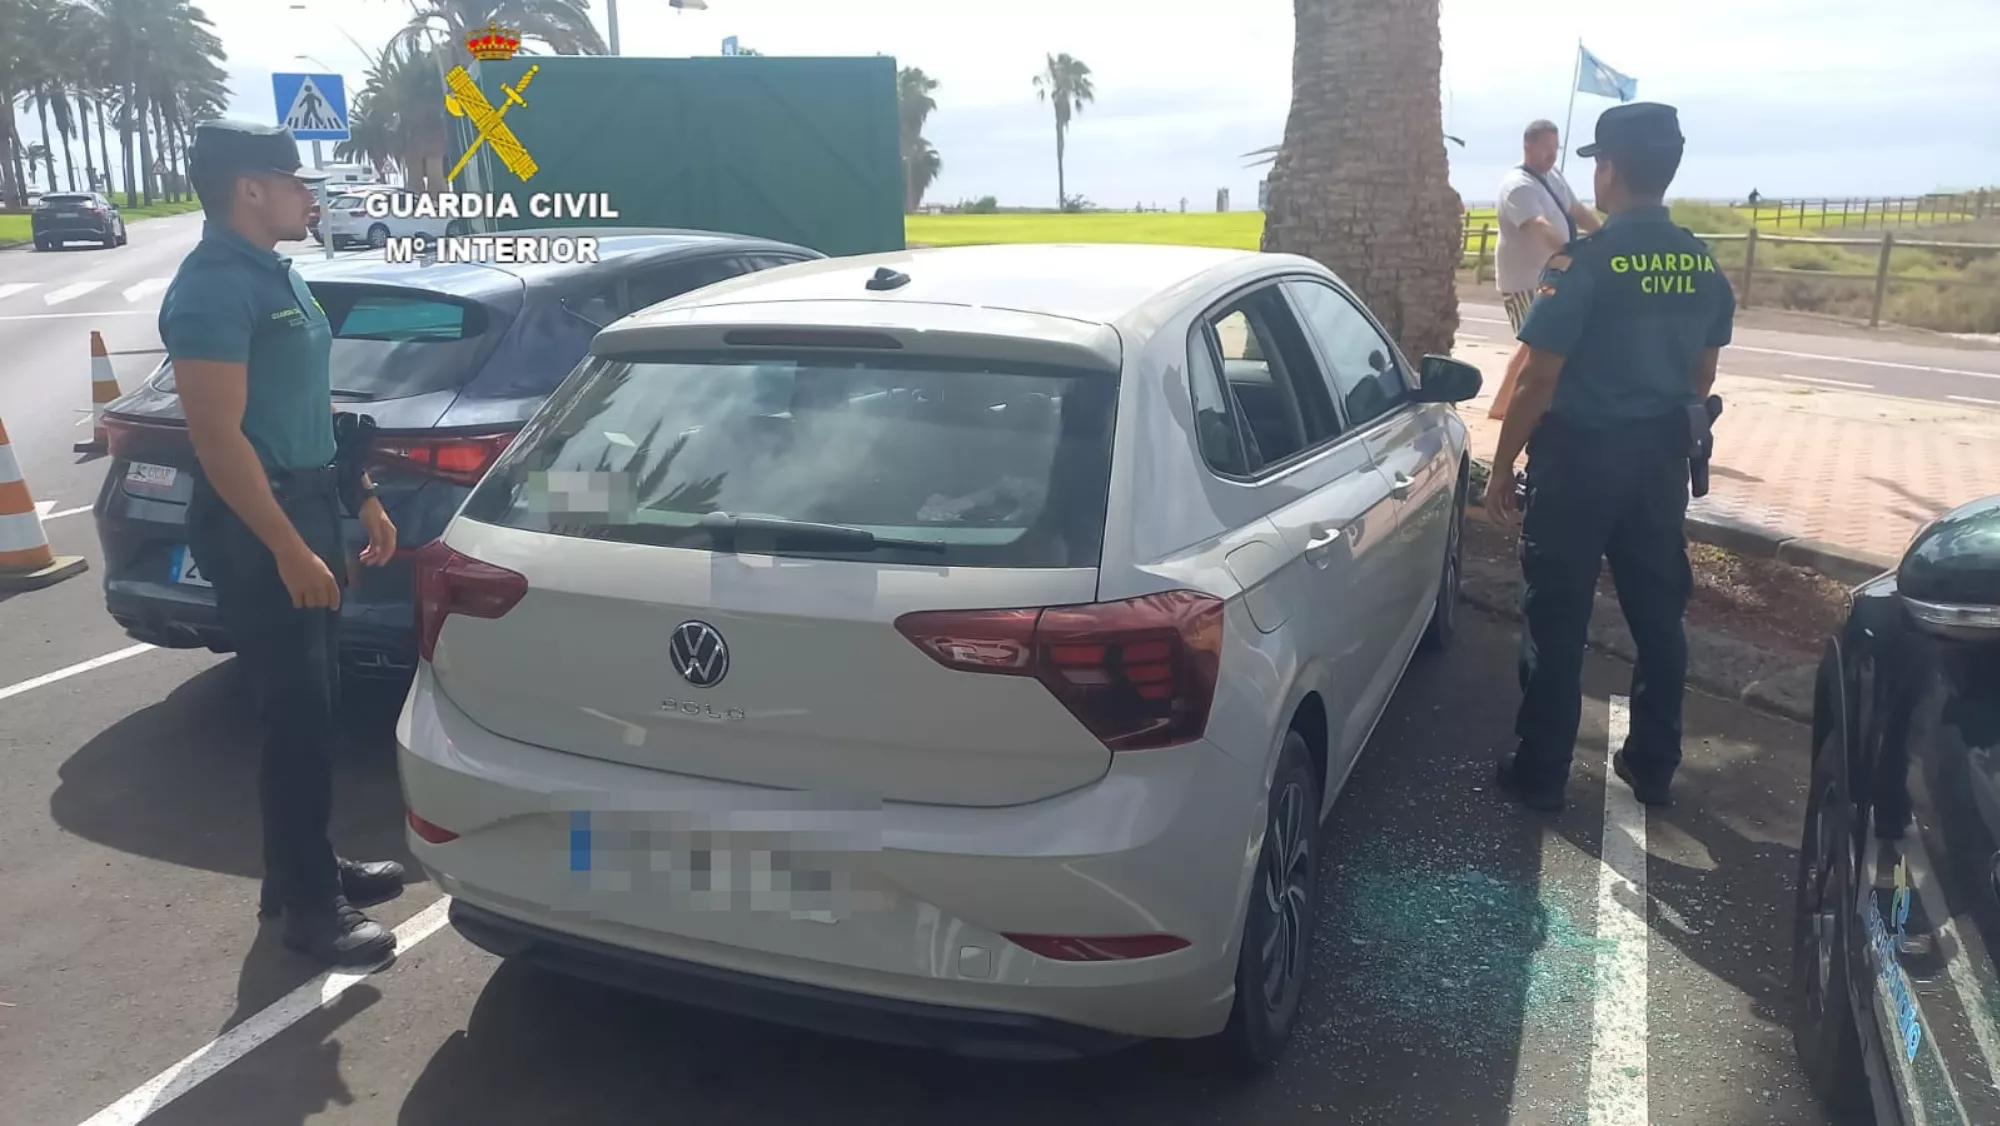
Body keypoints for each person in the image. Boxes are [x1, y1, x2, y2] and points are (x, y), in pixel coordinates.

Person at [164, 120, 405, 967]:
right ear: (250, 188)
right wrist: (287, 548)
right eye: (297, 181)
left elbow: (303, 404)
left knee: (315, 704)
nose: (312, 196)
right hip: (257, 520)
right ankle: (310, 907)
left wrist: (358, 493)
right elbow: (217, 436)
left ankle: (299, 869)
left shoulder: (278, 273)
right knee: (295, 716)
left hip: (306, 505)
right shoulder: (211, 288)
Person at [1480, 102, 1736, 812]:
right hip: (1659, 464)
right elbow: (1704, 372)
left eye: (1597, 163)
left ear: (1611, 170)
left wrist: (1501, 467)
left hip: (1578, 464)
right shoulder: (1699, 259)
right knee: (1658, 617)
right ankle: (1652, 764)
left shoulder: (1585, 262)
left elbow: (1538, 377)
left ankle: (1541, 771)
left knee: (1558, 617)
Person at [1488, 119, 1603, 420]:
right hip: (1524, 279)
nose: (1552, 154)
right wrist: (1572, 252)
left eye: (1556, 147)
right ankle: (1526, 411)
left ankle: (1501, 406)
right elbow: (1539, 226)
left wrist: (1605, 237)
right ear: (1528, 145)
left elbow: (1577, 211)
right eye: (1546, 147)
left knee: (1531, 346)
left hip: (1550, 276)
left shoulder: (1554, 176)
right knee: (1541, 346)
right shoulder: (1517, 186)